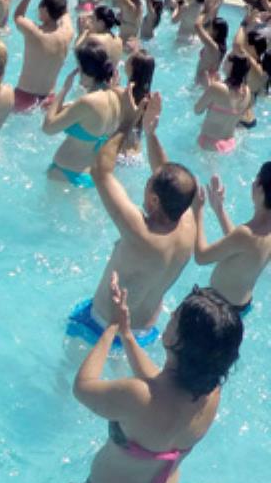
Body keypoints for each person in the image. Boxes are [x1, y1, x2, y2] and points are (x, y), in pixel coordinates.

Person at [60, 282, 242, 483]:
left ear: (178, 338)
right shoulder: (210, 394)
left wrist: (110, 329)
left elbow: (83, 388)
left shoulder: (138, 395)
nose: (169, 317)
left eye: (175, 317)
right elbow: (159, 384)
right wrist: (127, 333)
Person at [67, 93, 197, 349]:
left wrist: (126, 122)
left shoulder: (141, 233)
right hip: (144, 331)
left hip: (101, 327)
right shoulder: (189, 222)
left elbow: (100, 171)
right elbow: (168, 175)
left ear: (155, 201)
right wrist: (150, 133)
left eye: (148, 186)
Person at [193, 166, 271, 315]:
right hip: (240, 307)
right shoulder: (257, 233)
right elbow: (241, 247)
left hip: (217, 310)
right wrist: (219, 209)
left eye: (255, 180)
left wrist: (198, 211)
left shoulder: (247, 234)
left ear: (260, 189)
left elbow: (201, 257)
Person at [42, 41, 121, 187]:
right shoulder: (115, 98)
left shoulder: (87, 103)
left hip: (65, 174)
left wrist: (64, 89)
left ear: (83, 70)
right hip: (89, 175)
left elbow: (48, 128)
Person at [12, 0, 72, 112]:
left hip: (24, 97)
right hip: (48, 100)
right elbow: (66, 13)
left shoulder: (34, 33)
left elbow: (18, 16)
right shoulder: (67, 34)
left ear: (44, 9)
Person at [193, 53, 251, 154]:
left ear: (232, 66)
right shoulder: (247, 91)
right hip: (230, 143)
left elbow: (197, 110)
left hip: (209, 144)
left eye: (227, 60)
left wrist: (209, 88)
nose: (224, 61)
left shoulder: (217, 88)